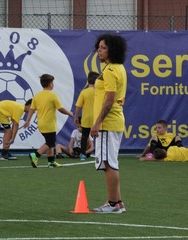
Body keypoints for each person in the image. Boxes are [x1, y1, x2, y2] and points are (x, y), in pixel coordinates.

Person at [90, 34, 127, 213]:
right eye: (99, 46)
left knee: (108, 164)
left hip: (108, 123)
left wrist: (96, 123)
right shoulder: (117, 68)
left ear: (112, 50)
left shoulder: (111, 71)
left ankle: (112, 205)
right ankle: (118, 202)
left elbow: (109, 100)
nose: (99, 49)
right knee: (111, 163)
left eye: (103, 47)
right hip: (114, 122)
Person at [23, 73, 73, 168]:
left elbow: (32, 110)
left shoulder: (37, 95)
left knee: (50, 142)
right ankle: (36, 155)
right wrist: (69, 113)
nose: (53, 84)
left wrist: (28, 120)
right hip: (49, 124)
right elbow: (60, 108)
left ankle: (51, 162)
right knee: (50, 143)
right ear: (50, 84)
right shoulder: (53, 95)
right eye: (53, 82)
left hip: (41, 124)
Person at [74, 71, 99, 160]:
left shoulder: (84, 92)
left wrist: (76, 116)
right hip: (97, 118)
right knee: (100, 136)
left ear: (88, 81)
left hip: (86, 118)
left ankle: (83, 154)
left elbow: (78, 106)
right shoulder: (99, 91)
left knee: (84, 137)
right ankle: (100, 154)